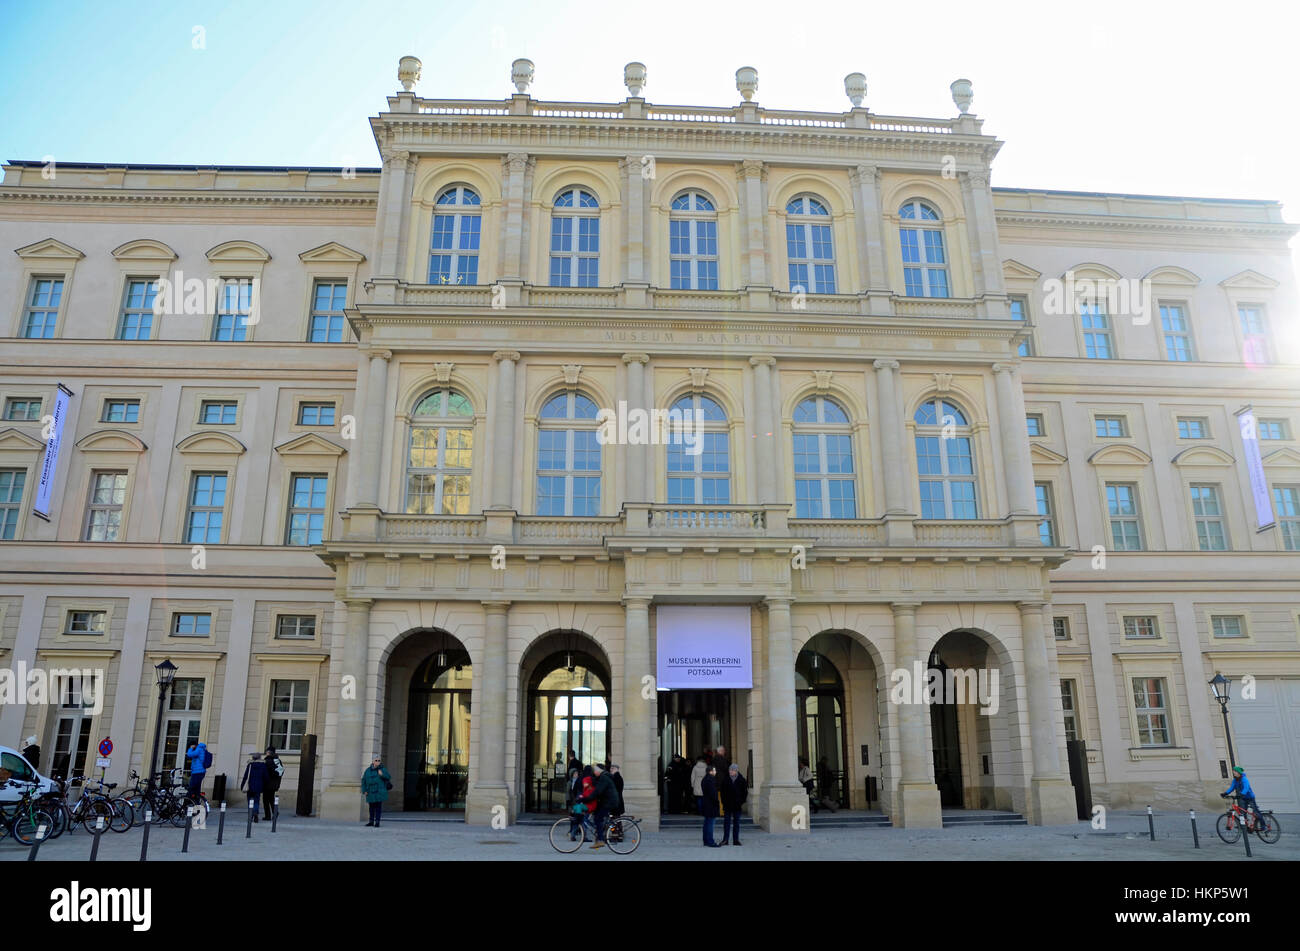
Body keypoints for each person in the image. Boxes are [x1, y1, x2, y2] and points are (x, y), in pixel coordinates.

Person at [583, 762, 619, 849]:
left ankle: (600, 840)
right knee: (596, 815)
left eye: (595, 770)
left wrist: (586, 799)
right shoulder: (601, 777)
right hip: (605, 801)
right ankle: (599, 837)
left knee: (598, 818)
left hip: (609, 802)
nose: (594, 772)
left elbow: (597, 791)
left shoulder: (604, 777)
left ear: (599, 770)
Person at [721, 764, 748, 846]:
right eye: (730, 770)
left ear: (736, 771)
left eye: (732, 770)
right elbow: (722, 792)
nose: (730, 771)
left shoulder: (742, 780)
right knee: (726, 823)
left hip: (737, 805)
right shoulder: (725, 779)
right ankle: (725, 840)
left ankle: (736, 840)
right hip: (727, 805)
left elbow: (745, 793)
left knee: (736, 823)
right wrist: (724, 802)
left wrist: (741, 801)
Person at [361, 755, 391, 827]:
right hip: (370, 791)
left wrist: (382, 775)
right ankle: (371, 821)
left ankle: (377, 822)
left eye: (379, 761)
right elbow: (363, 780)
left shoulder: (383, 769)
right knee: (371, 807)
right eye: (376, 760)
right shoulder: (368, 770)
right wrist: (364, 790)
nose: (377, 762)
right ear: (373, 761)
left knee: (378, 807)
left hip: (379, 791)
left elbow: (388, 777)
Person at [239, 751, 268, 822]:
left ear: (253, 758)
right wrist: (265, 785)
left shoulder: (250, 765)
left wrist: (242, 785)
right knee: (256, 801)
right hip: (258, 787)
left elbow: (245, 776)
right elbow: (266, 777)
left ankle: (250, 815)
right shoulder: (263, 765)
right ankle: (255, 813)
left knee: (249, 801)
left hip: (250, 786)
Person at [715, 747, 733, 844]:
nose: (725, 752)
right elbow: (726, 769)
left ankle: (720, 810)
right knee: (722, 797)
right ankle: (721, 811)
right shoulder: (720, 759)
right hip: (721, 782)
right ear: (720, 752)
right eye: (724, 751)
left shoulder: (715, 759)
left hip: (718, 781)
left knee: (719, 797)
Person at [700, 765, 721, 847]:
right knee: (710, 824)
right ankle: (710, 841)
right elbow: (713, 794)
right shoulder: (711, 780)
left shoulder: (705, 779)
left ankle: (706, 841)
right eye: (714, 771)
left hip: (706, 803)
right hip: (711, 805)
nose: (716, 772)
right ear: (711, 771)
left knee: (706, 823)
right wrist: (717, 802)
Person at [263, 746, 284, 820]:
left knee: (265, 800)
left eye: (267, 752)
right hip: (275, 784)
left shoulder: (268, 761)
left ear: (269, 752)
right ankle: (275, 812)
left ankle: (267, 816)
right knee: (271, 799)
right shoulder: (278, 761)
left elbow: (265, 773)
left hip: (267, 784)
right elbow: (281, 772)